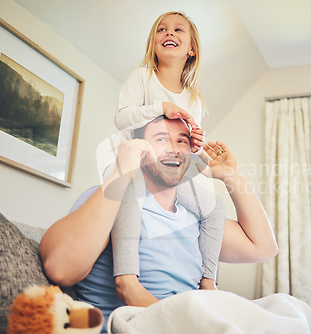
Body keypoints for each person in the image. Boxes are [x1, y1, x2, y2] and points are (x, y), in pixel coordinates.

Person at [40, 117, 278, 329]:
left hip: (196, 322)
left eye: (182, 141)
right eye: (162, 139)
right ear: (139, 147)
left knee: (284, 308)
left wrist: (231, 175)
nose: (174, 149)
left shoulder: (197, 220)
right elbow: (60, 269)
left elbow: (264, 248)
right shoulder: (110, 199)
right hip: (140, 325)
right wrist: (122, 171)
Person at [102, 10, 226, 306]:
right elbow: (122, 119)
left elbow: (187, 155)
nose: (168, 33)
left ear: (191, 49)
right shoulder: (142, 77)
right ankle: (127, 281)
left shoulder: (194, 99)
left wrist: (196, 144)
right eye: (162, 29)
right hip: (132, 168)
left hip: (166, 176)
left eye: (178, 30)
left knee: (215, 207)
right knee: (129, 193)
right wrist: (162, 107)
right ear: (153, 42)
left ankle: (208, 283)